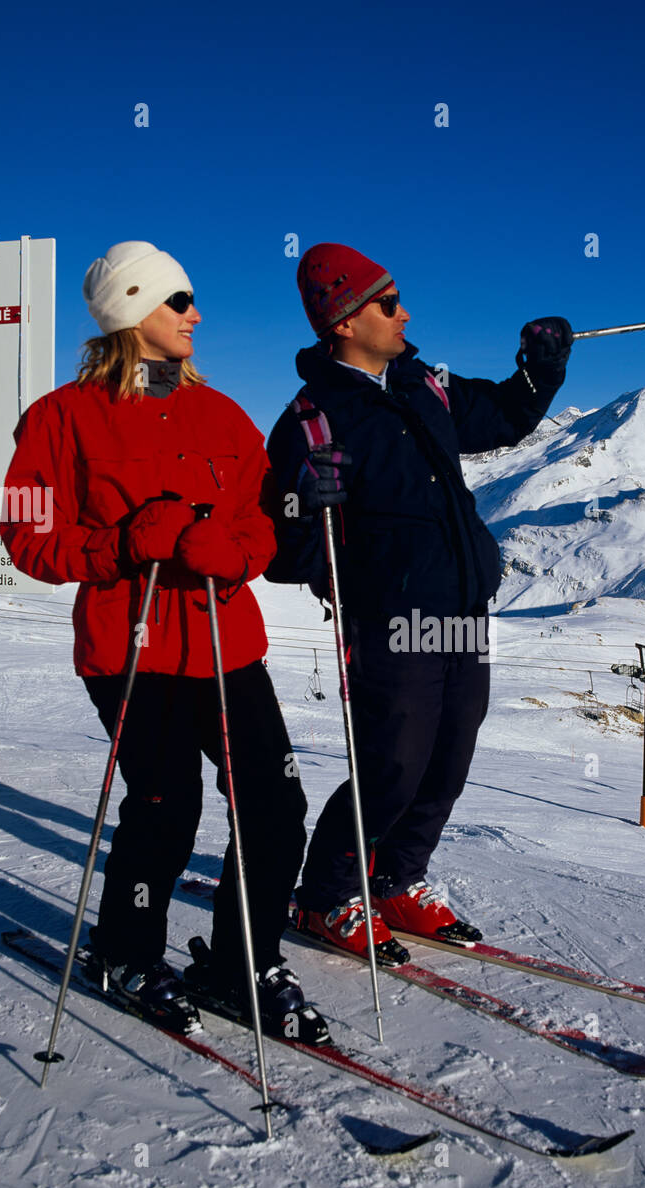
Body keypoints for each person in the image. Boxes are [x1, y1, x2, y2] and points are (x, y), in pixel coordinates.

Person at [0, 240, 324, 1042]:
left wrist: (237, 552)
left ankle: (242, 961)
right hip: (130, 646)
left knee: (275, 801)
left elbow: (261, 524)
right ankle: (127, 952)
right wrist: (122, 545)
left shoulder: (221, 413)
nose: (195, 316)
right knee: (164, 802)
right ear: (132, 309)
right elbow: (29, 538)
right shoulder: (60, 418)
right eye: (179, 302)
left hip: (225, 640)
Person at [265, 242, 571, 961]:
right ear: (342, 321)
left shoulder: (421, 386)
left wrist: (541, 367)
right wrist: (309, 505)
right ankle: (325, 894)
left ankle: (398, 879)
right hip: (388, 618)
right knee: (393, 761)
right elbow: (281, 544)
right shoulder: (312, 420)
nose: (406, 312)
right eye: (388, 302)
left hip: (461, 605)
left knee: (448, 754)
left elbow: (500, 416)